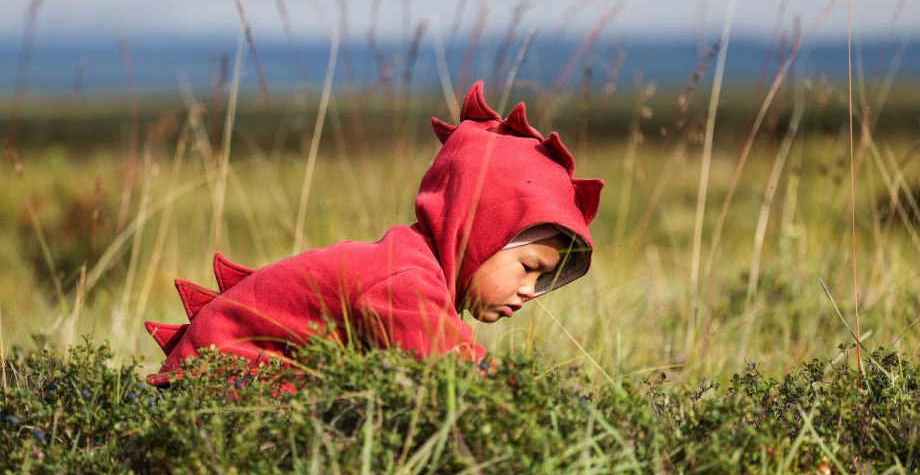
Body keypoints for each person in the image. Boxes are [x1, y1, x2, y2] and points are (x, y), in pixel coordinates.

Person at [144, 81, 604, 386]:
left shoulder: (414, 268)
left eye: (543, 280)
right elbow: (452, 372)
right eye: (529, 268)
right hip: (226, 381)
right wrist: (540, 402)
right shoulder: (406, 280)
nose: (530, 291)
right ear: (478, 229)